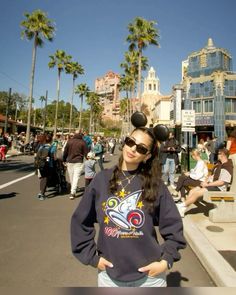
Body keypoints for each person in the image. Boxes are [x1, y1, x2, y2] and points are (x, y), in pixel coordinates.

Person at [71, 113, 186, 287]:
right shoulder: (101, 179)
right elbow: (81, 221)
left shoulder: (155, 185)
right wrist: (92, 257)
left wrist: (166, 261)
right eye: (130, 142)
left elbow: (174, 228)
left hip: (150, 279)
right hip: (109, 277)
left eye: (141, 148)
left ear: (147, 156)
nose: (133, 149)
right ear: (125, 142)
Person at [176, 148, 233, 217]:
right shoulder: (219, 164)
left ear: (223, 155)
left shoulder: (227, 166)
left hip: (219, 188)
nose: (217, 155)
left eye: (219, 154)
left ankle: (182, 205)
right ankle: (183, 209)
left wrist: (208, 184)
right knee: (192, 191)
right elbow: (213, 176)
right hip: (211, 184)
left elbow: (222, 182)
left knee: (197, 193)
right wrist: (206, 181)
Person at [63, 130, 88, 200]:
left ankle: (73, 190)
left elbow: (65, 151)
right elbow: (86, 153)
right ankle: (73, 191)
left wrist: (64, 160)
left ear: (74, 134)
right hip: (79, 161)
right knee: (76, 177)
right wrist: (88, 158)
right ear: (81, 134)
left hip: (69, 161)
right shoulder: (83, 142)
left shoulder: (70, 141)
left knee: (71, 177)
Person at [34, 134, 55, 201]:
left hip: (39, 164)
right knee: (45, 179)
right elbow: (48, 157)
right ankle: (42, 194)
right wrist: (48, 162)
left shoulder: (40, 146)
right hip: (45, 165)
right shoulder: (48, 146)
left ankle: (41, 192)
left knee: (42, 178)